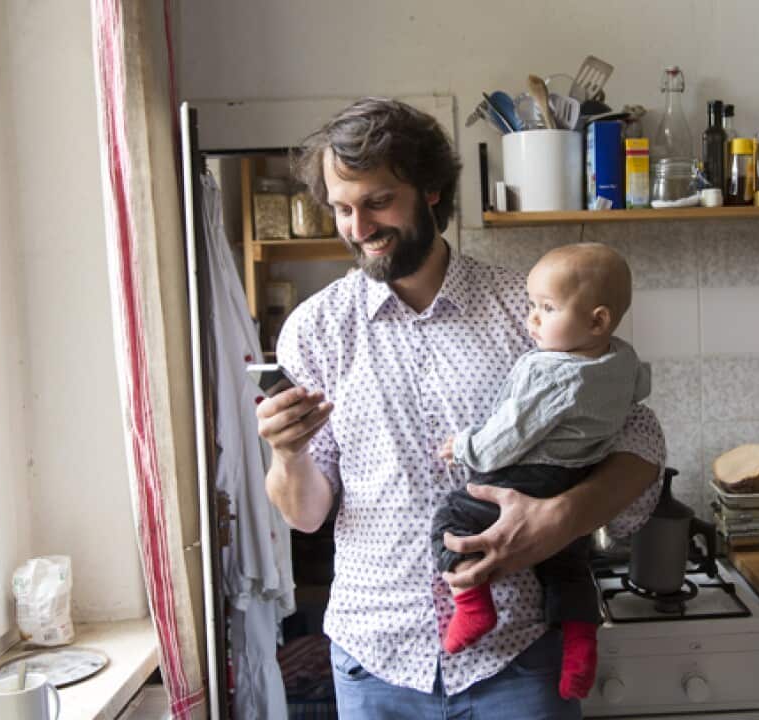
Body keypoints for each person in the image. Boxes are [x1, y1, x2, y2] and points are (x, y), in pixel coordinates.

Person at [257, 97, 665, 720]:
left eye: (377, 201)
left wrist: (561, 517)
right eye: (342, 208)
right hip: (376, 659)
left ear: (434, 192)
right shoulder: (315, 331)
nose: (358, 227)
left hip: (518, 654)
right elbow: (307, 514)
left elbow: (643, 438)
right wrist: (286, 453)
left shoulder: (527, 310)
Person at [433, 243, 650, 702]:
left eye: (546, 309)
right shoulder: (623, 359)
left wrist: (466, 448)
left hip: (532, 476)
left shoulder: (552, 374)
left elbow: (511, 432)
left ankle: (472, 604)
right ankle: (580, 643)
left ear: (597, 320)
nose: (532, 319)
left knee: (452, 517)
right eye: (533, 306)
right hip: (577, 475)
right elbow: (639, 394)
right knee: (566, 565)